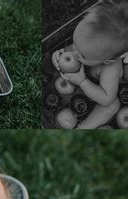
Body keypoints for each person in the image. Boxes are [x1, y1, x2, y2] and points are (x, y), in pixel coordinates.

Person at [53, 0, 128, 128]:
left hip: (101, 92)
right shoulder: (88, 47)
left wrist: (83, 82)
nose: (74, 51)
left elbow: (106, 98)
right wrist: (60, 53)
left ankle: (84, 127)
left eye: (82, 54)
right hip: (81, 84)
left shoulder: (110, 69)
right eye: (75, 43)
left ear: (107, 60)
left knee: (112, 105)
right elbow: (78, 48)